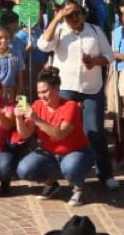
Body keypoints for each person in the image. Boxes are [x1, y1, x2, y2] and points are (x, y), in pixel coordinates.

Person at [38, 0, 117, 190]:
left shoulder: (95, 31)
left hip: (91, 89)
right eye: (68, 15)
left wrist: (95, 61)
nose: (73, 18)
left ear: (83, 13)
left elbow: (109, 57)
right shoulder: (59, 31)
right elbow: (43, 45)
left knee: (94, 132)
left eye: (76, 13)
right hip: (66, 88)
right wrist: (57, 19)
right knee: (66, 130)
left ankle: (104, 173)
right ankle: (70, 171)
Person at [15, 68, 95, 205]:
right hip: (50, 153)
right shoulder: (37, 105)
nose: (41, 96)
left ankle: (79, 188)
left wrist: (37, 119)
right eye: (39, 92)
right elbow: (25, 134)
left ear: (57, 88)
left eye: (45, 91)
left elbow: (60, 134)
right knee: (24, 169)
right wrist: (18, 118)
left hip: (75, 151)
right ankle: (51, 185)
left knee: (71, 168)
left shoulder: (70, 106)